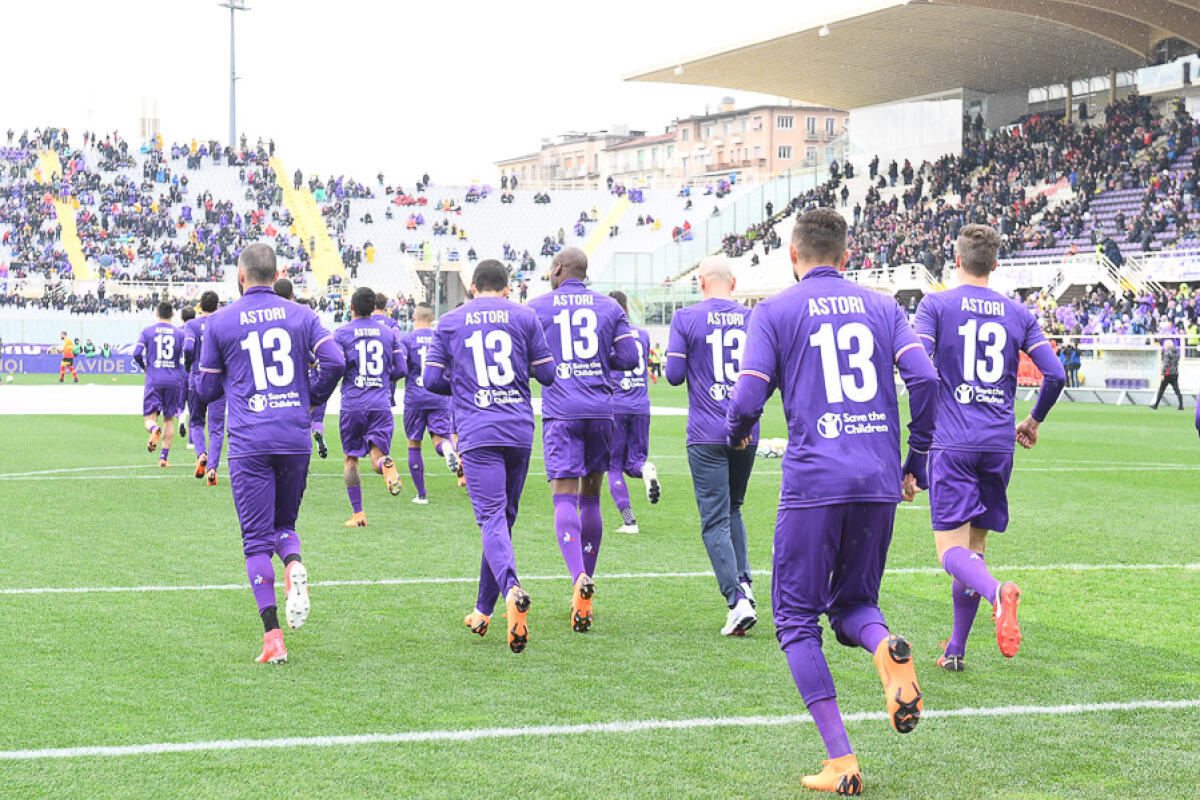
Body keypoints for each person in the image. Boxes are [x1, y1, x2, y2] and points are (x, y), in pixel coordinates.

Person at [726, 208, 939, 794]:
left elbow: (746, 399)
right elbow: (925, 379)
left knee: (796, 620)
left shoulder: (774, 311)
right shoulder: (883, 307)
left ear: (793, 255)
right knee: (855, 606)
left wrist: (737, 433)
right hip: (877, 478)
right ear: (847, 256)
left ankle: (842, 761)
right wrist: (916, 459)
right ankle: (886, 650)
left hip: (814, 481)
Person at [913, 223, 1066, 673]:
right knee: (974, 547)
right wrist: (1033, 420)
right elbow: (1055, 374)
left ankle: (998, 592)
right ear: (995, 264)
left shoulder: (936, 304)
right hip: (998, 444)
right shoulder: (1018, 313)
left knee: (950, 552)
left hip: (953, 441)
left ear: (957, 260)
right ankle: (956, 649)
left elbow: (919, 366)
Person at [198, 243, 345, 664]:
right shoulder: (302, 315)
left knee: (255, 542)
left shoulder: (221, 321)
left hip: (250, 440)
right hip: (293, 436)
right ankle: (293, 563)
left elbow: (207, 389)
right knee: (284, 525)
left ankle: (273, 638)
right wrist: (310, 397)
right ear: (277, 274)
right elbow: (335, 361)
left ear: (241, 275)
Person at [423, 259, 556, 653]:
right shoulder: (525, 316)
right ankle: (483, 610)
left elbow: (430, 380)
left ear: (472, 287)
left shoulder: (450, 321)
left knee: (492, 519)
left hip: (479, 428)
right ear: (507, 287)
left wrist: (466, 384)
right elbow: (547, 374)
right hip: (518, 427)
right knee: (503, 520)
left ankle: (512, 588)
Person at [527, 247, 638, 633]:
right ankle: (586, 587)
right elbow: (629, 357)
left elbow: (528, 360)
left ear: (558, 268)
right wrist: (597, 360)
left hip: (562, 411)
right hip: (600, 410)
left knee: (563, 496)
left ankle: (578, 578)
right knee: (591, 497)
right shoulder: (610, 306)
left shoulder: (537, 307)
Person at [666, 255, 757, 636]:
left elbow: (673, 375)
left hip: (706, 431)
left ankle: (736, 601)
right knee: (734, 508)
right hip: (745, 429)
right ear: (733, 283)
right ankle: (745, 584)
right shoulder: (752, 317)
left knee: (715, 518)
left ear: (700, 281)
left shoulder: (686, 318)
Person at [336, 287, 406, 527]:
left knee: (351, 459)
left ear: (351, 307)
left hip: (353, 404)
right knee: (378, 457)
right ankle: (386, 464)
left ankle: (358, 514)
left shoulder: (341, 333)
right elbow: (401, 369)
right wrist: (382, 377)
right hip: (380, 403)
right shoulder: (388, 334)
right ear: (374, 307)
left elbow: (336, 365)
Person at [606, 291, 660, 534]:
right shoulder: (644, 335)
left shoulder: (606, 336)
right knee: (634, 463)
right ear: (627, 309)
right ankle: (646, 470)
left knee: (614, 466)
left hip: (616, 405)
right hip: (641, 405)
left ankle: (629, 520)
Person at [400, 303, 459, 503]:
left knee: (414, 444)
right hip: (438, 395)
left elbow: (401, 366)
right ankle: (447, 448)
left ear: (414, 318)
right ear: (432, 319)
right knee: (440, 439)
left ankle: (421, 494)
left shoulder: (407, 339)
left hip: (415, 398)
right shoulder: (440, 338)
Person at [273, 278, 328, 458]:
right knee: (311, 416)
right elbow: (328, 357)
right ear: (292, 295)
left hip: (276, 378)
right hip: (304, 377)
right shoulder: (304, 317)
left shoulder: (268, 318)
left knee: (282, 420)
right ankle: (315, 433)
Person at [132, 302, 187, 467]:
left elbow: (136, 353)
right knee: (169, 419)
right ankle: (163, 458)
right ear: (173, 315)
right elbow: (186, 355)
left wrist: (144, 367)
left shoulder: (148, 331)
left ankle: (154, 429)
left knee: (150, 418)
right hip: (173, 380)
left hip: (154, 379)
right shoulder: (179, 333)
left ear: (157, 314)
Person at [182, 291, 227, 485]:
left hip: (197, 377)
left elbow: (188, 348)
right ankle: (212, 470)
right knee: (216, 429)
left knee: (196, 422)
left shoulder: (192, 325)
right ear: (218, 306)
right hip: (218, 379)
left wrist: (188, 366)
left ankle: (201, 454)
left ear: (199, 306)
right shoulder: (222, 323)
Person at [1151, 339, 1183, 410]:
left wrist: (1162, 373)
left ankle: (1156, 405)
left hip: (1167, 373)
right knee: (1177, 390)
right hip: (1175, 373)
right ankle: (1181, 405)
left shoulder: (1167, 353)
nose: (1164, 346)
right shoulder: (1176, 352)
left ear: (1167, 346)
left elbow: (1166, 364)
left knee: (1161, 390)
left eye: (1164, 345)